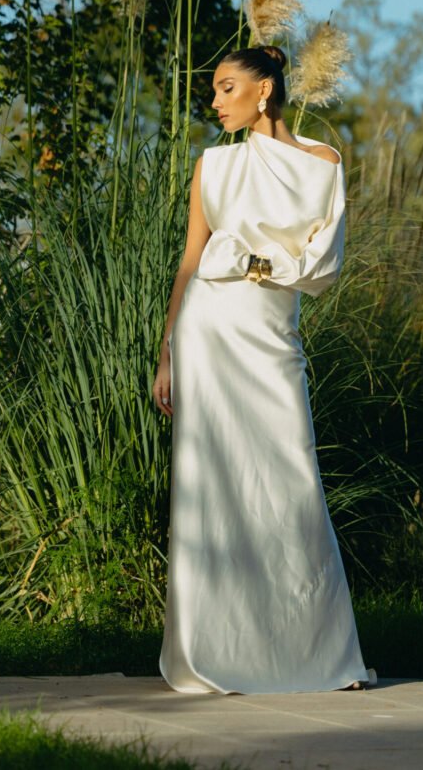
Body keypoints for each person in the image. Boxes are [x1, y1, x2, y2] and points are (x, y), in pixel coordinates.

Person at [152, 44, 377, 695]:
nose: (215, 100)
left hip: (271, 333)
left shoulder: (323, 162)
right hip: (210, 328)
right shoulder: (213, 167)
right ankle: (217, 653)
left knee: (290, 477)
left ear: (265, 92)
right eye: (214, 89)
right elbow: (191, 259)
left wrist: (264, 265)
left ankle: (315, 655)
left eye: (226, 88)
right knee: (215, 484)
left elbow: (324, 263)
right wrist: (167, 350)